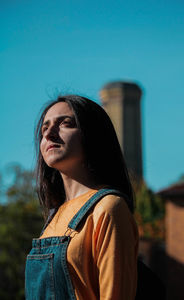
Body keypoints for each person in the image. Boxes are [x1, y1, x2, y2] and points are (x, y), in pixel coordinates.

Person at [25, 95, 139, 300]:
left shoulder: (109, 208)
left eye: (65, 124)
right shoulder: (53, 218)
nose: (49, 134)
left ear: (92, 135)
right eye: (44, 129)